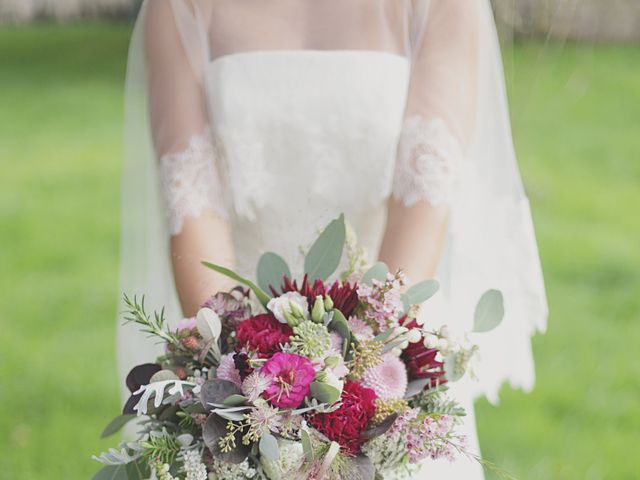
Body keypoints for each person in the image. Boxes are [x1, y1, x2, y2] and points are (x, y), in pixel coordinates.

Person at [117, 1, 548, 477]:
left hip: (389, 360)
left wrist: (354, 398)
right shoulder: (180, 8)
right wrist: (247, 396)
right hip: (239, 370)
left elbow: (421, 217)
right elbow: (194, 211)